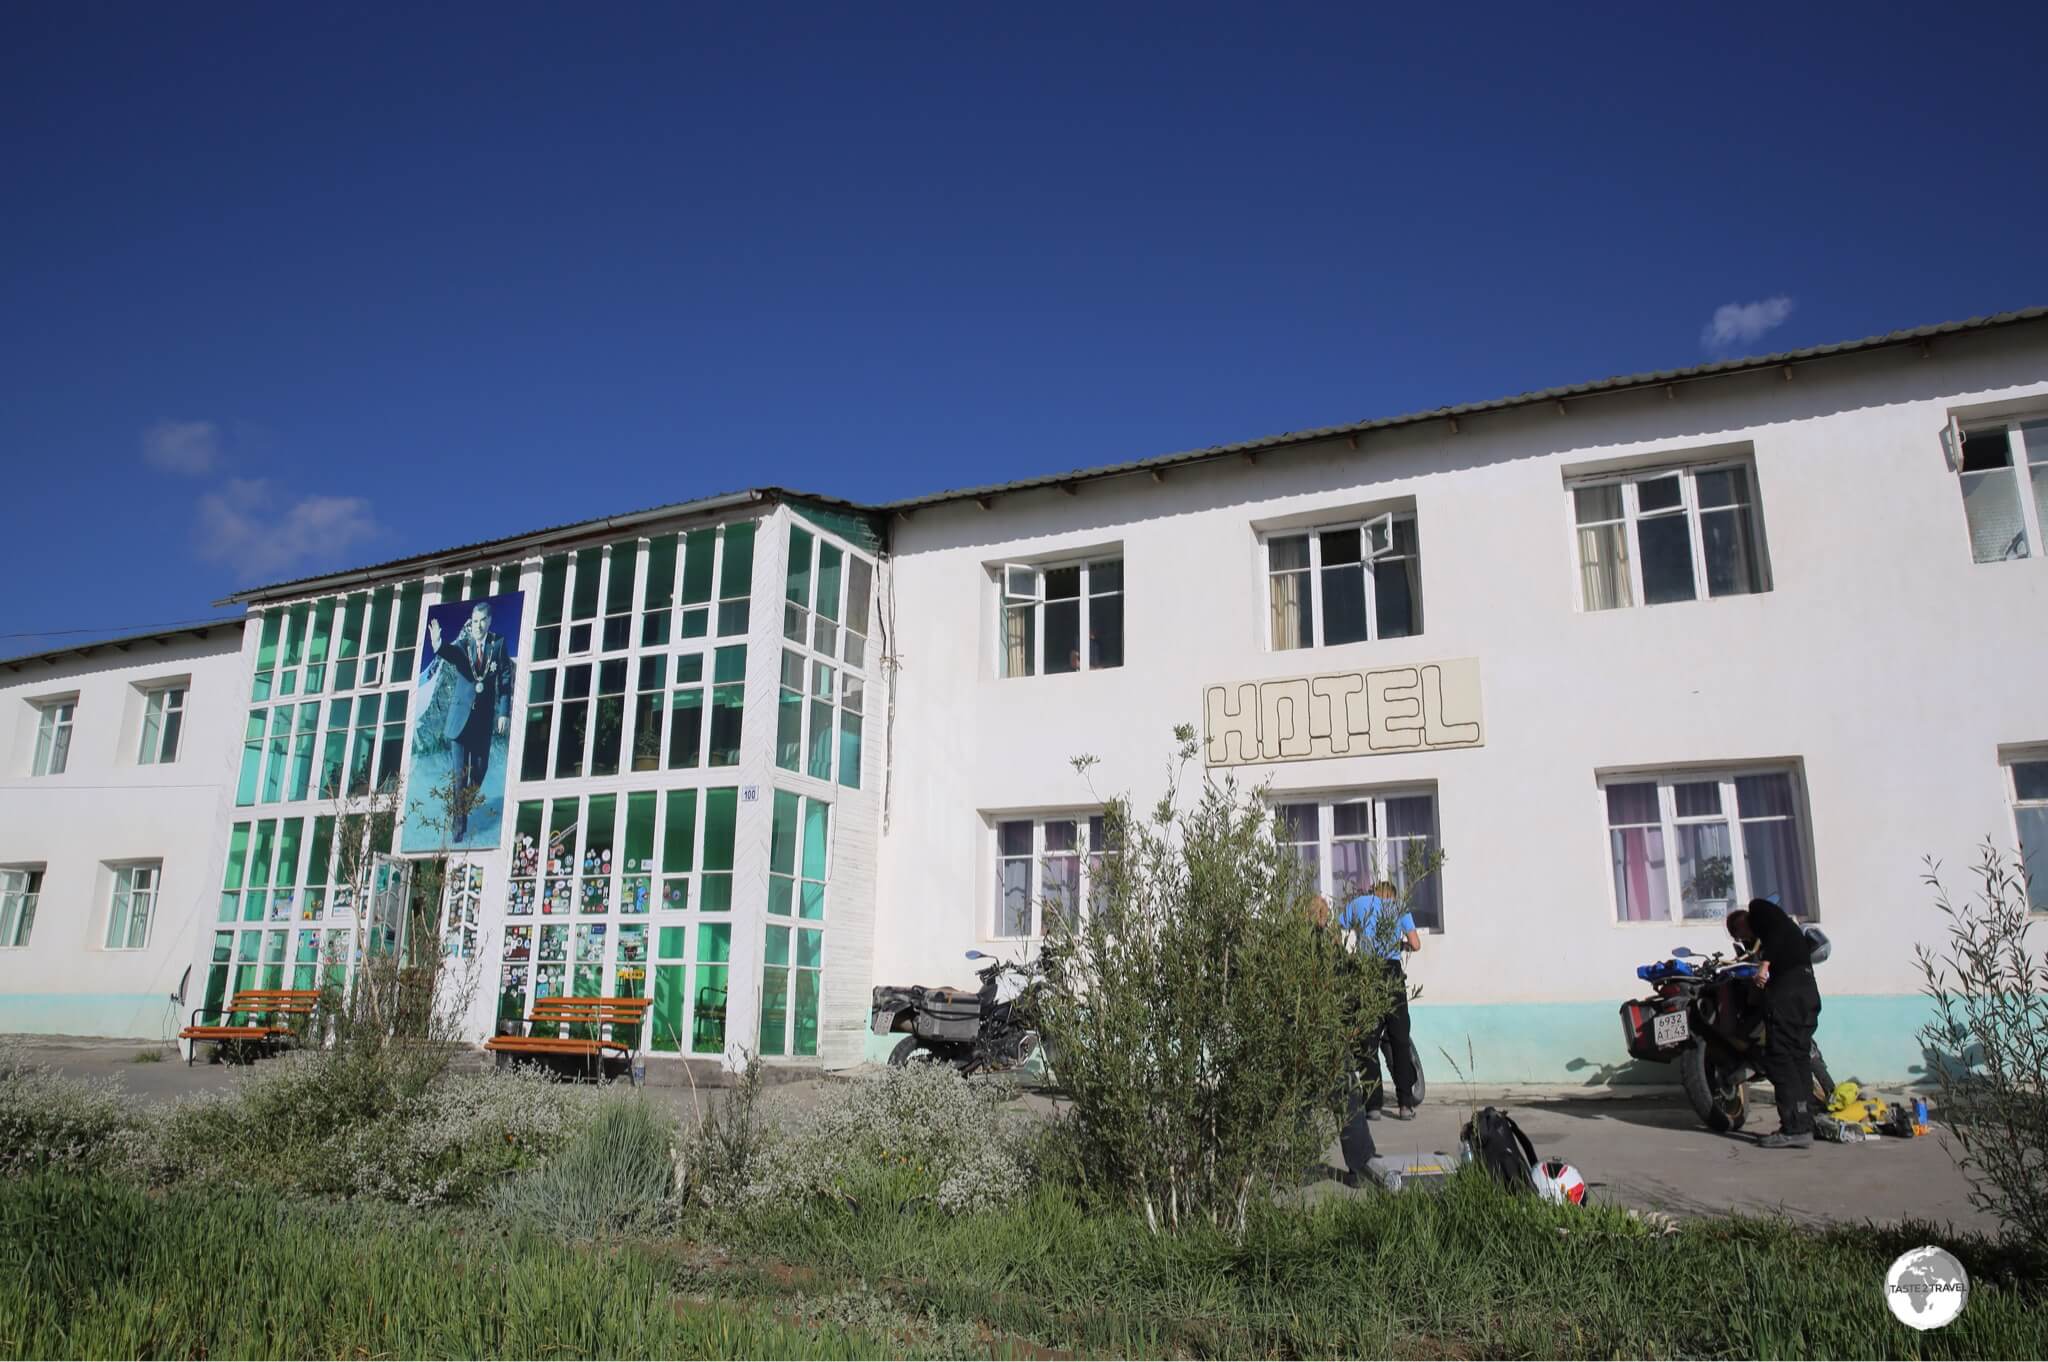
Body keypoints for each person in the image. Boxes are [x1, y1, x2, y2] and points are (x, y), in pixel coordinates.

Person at [1726, 896, 1822, 1149]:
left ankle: (1794, 1128)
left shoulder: (1759, 910)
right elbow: (1777, 935)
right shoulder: (1782, 936)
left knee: (1779, 1057)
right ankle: (1804, 1123)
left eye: (1739, 933)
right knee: (1798, 1057)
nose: (1745, 937)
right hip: (1806, 992)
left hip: (1789, 995)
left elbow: (1774, 930)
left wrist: (1764, 965)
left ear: (1741, 923)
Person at [423, 600, 513, 841]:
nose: (478, 625)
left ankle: (462, 806)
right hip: (460, 721)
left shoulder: (498, 645)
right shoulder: (464, 645)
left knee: (480, 770)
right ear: (471, 623)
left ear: (489, 621)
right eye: (475, 621)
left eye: (483, 620)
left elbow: (505, 679)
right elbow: (450, 654)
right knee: (458, 774)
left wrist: (504, 712)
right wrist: (438, 644)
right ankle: (458, 827)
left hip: (482, 722)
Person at [1341, 879, 1423, 1120]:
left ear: (1373, 892)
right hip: (1392, 974)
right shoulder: (1399, 908)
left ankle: (1373, 1105)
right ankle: (1405, 1105)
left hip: (1367, 973)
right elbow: (1416, 944)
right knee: (1399, 1040)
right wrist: (1402, 944)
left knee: (1368, 1041)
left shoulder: (1358, 904)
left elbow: (1337, 926)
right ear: (1393, 895)